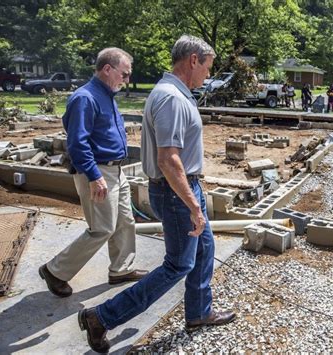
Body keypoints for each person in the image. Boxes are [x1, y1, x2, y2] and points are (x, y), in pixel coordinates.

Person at [77, 35, 236, 353]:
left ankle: (199, 312)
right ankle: (101, 317)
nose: (208, 74)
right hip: (177, 193)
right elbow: (168, 159)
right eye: (207, 67)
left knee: (204, 250)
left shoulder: (178, 93)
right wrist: (192, 203)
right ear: (193, 60)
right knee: (178, 265)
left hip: (185, 187)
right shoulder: (172, 98)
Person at [38, 48, 148, 298]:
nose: (127, 79)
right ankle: (55, 271)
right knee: (102, 228)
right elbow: (77, 143)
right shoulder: (85, 98)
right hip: (97, 170)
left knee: (125, 221)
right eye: (125, 74)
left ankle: (121, 268)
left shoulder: (106, 94)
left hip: (114, 169)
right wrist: (94, 176)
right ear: (107, 69)